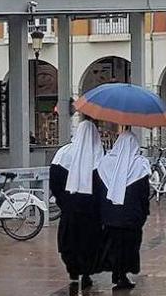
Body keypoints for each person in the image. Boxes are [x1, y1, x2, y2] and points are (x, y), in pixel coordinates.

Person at [48, 120, 104, 295]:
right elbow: (103, 184)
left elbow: (54, 181)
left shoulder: (63, 153)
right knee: (90, 243)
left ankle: (73, 271)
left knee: (69, 241)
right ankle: (87, 273)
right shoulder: (99, 154)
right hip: (91, 211)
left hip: (69, 209)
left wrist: (63, 201)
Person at [97, 131, 151, 290]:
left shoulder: (105, 163)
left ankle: (117, 273)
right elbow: (144, 193)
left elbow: (100, 191)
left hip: (110, 215)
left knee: (113, 245)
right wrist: (144, 212)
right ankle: (123, 275)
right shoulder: (139, 165)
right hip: (131, 216)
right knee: (129, 245)